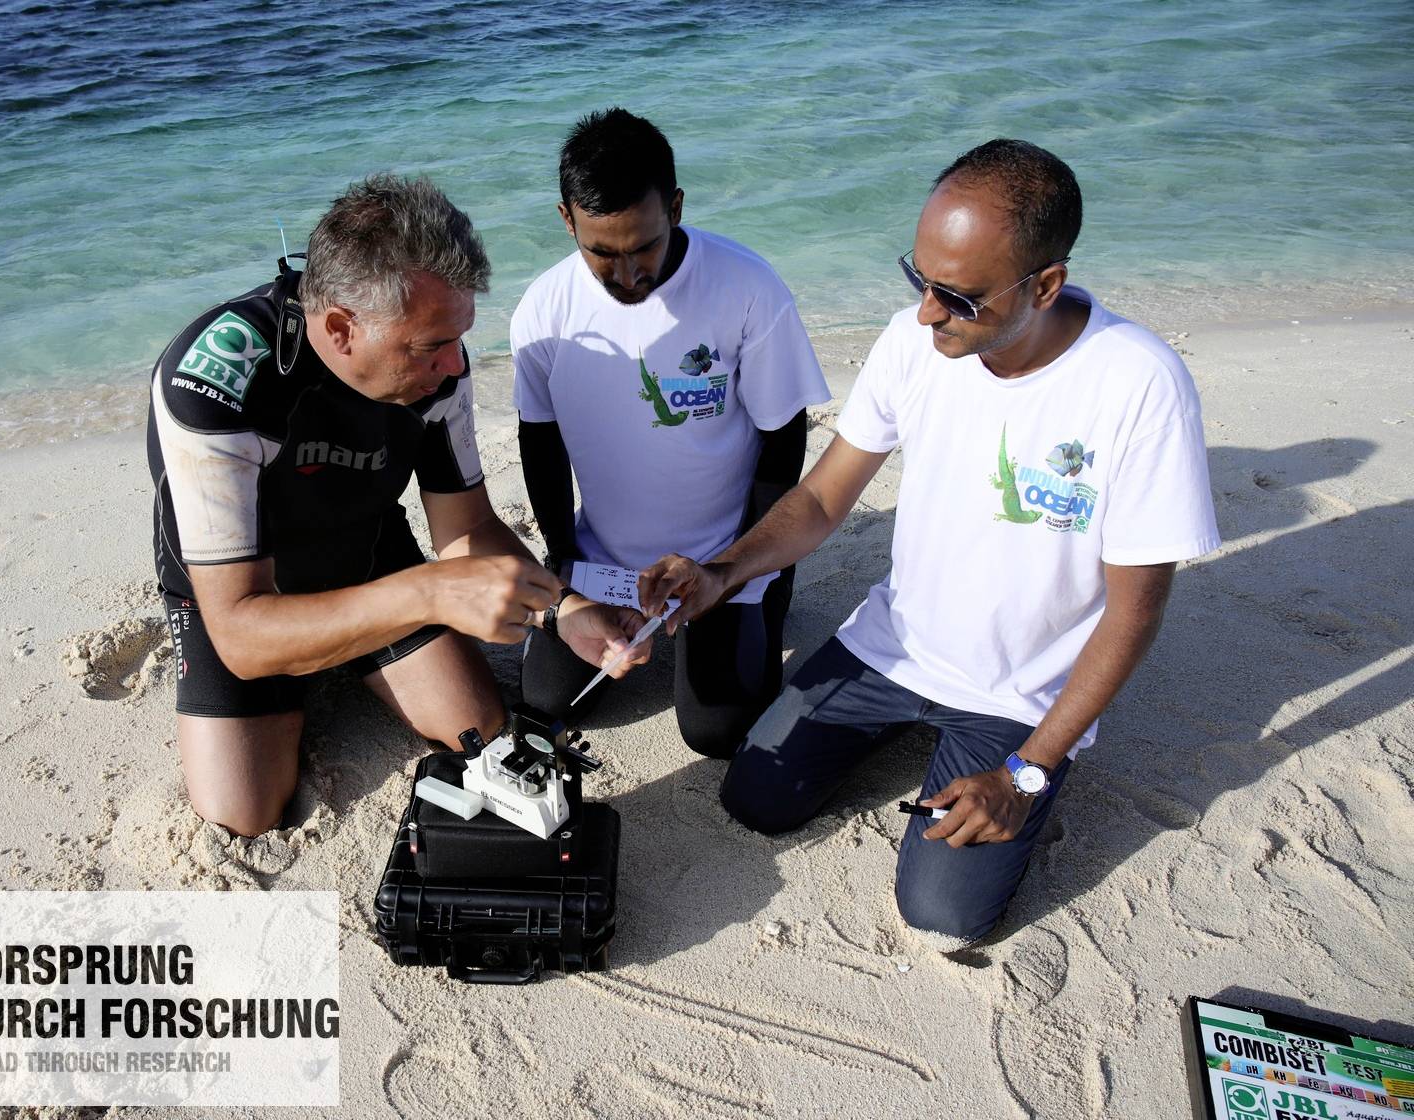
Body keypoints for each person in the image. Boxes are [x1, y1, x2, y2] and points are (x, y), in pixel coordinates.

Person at [640, 139, 1220, 947]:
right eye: (917, 278)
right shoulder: (914, 342)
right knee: (754, 801)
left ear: (1044, 285)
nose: (925, 312)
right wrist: (721, 572)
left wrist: (1026, 772)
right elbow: (820, 497)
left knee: (943, 913)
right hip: (896, 647)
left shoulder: (1140, 384)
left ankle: (1011, 767)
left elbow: (1135, 611)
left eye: (957, 296)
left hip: (1021, 693)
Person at [146, 174, 647, 837]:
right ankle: (316, 665)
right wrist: (432, 594)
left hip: (367, 554)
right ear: (339, 328)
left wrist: (565, 609)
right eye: (429, 347)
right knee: (245, 812)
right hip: (236, 597)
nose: (452, 365)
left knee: (483, 732)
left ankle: (344, 652)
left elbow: (466, 526)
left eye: (458, 337)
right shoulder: (217, 383)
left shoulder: (442, 361)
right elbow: (240, 635)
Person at [511, 108, 830, 757]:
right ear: (567, 220)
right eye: (602, 253)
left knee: (715, 733)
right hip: (605, 554)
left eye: (643, 248)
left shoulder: (747, 289)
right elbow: (538, 442)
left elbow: (783, 439)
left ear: (676, 208)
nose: (627, 275)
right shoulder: (544, 311)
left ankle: (771, 591)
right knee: (547, 701)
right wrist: (565, 567)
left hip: (721, 551)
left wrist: (736, 567)